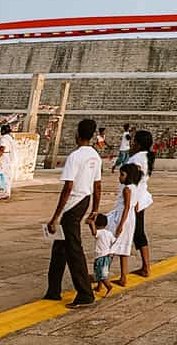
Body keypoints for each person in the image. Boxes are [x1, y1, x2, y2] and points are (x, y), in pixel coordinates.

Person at [45, 118, 103, 308]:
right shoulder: (95, 156)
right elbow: (97, 185)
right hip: (85, 200)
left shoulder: (75, 156)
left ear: (78, 134)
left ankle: (85, 293)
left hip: (73, 203)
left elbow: (68, 187)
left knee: (73, 249)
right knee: (60, 247)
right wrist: (95, 208)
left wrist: (55, 216)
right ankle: (53, 289)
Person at [99, 162, 139, 289]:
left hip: (122, 218)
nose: (120, 177)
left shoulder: (127, 189)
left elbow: (126, 207)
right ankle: (123, 276)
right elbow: (135, 206)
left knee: (109, 248)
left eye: (122, 174)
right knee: (123, 249)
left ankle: (102, 278)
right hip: (130, 219)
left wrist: (120, 224)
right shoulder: (135, 188)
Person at [128, 130, 155, 276]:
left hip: (133, 200)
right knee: (138, 232)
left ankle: (102, 272)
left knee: (118, 232)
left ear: (138, 144)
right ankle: (146, 266)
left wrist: (133, 201)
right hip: (140, 199)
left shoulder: (137, 158)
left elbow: (134, 181)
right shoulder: (146, 157)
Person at [90, 215, 117, 298]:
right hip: (107, 256)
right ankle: (99, 286)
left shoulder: (99, 233)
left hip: (101, 256)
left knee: (101, 274)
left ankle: (109, 287)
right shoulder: (109, 233)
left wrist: (91, 223)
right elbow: (114, 241)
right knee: (100, 272)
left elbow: (94, 233)